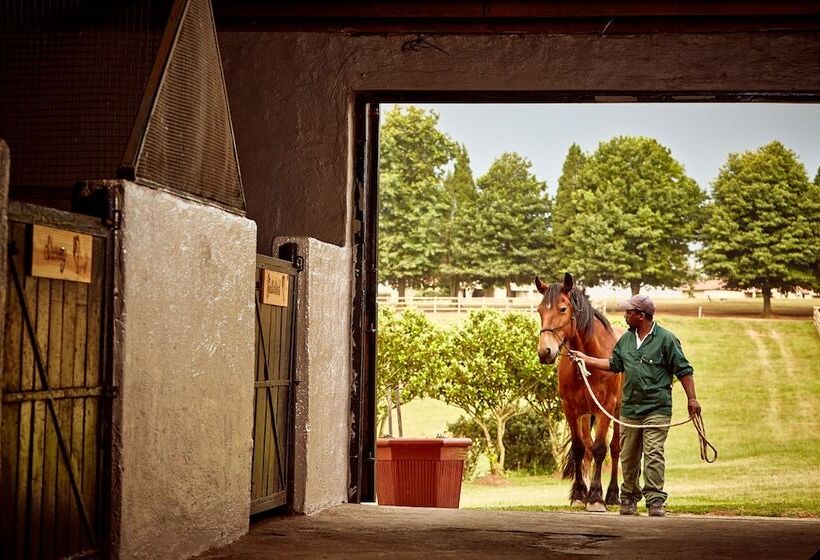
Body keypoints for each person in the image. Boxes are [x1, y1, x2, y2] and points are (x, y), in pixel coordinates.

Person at [569, 294, 701, 517]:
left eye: (628, 312)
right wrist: (586, 358)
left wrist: (692, 399)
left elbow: (684, 370)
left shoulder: (667, 339)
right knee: (628, 456)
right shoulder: (626, 340)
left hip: (656, 408)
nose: (624, 316)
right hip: (630, 409)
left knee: (653, 453)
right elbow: (614, 364)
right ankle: (628, 498)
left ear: (641, 315)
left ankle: (655, 501)